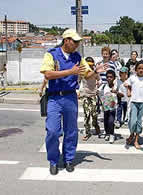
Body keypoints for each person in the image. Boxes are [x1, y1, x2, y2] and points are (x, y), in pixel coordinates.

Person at [40, 29, 107, 175]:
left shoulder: (77, 57)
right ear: (66, 40)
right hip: (55, 97)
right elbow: (48, 74)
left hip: (70, 97)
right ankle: (53, 160)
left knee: (71, 131)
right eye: (75, 41)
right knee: (52, 131)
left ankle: (69, 159)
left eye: (78, 42)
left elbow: (86, 74)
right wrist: (70, 72)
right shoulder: (51, 54)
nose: (77, 44)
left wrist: (96, 71)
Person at [125, 60, 143, 149]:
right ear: (136, 69)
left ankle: (136, 140)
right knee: (132, 121)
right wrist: (129, 91)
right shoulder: (132, 77)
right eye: (139, 68)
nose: (141, 70)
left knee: (139, 123)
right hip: (133, 102)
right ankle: (131, 134)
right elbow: (126, 84)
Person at [81, 57, 101, 141]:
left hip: (93, 96)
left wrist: (98, 85)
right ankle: (87, 132)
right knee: (87, 115)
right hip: (85, 96)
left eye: (91, 65)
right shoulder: (83, 72)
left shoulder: (96, 73)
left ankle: (96, 125)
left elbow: (99, 80)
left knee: (94, 114)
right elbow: (81, 80)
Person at [99, 70, 118, 144]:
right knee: (106, 121)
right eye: (108, 77)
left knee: (111, 121)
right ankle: (107, 133)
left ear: (114, 78)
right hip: (105, 107)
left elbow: (122, 95)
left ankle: (112, 134)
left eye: (111, 77)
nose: (109, 78)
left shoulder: (116, 86)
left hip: (113, 107)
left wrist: (116, 92)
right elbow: (98, 92)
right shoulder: (103, 86)